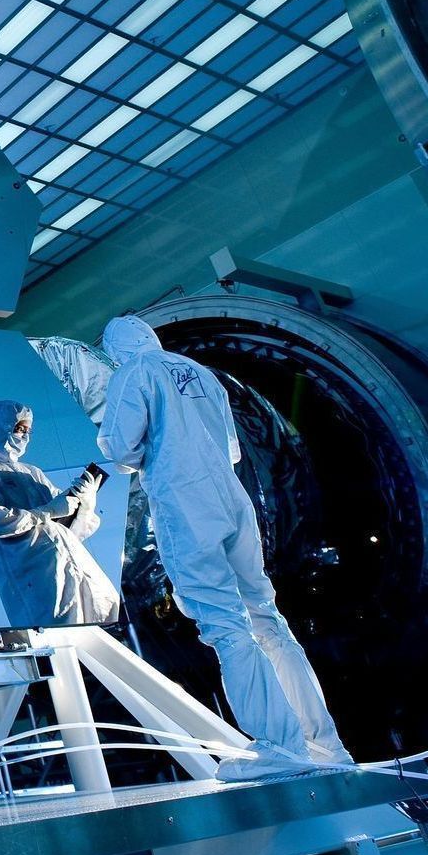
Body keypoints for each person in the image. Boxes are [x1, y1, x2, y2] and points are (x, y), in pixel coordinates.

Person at [99, 314, 353, 781]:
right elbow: (233, 451)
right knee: (268, 621)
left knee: (225, 625)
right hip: (232, 499)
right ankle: (326, 746)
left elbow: (118, 450)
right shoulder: (202, 374)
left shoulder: (133, 373)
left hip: (185, 500)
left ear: (117, 349)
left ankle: (280, 748)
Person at [0, 400, 120, 628]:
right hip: (36, 575)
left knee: (106, 611)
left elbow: (72, 527)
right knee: (62, 634)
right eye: (18, 429)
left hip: (71, 558)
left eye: (27, 431)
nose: (24, 436)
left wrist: (85, 501)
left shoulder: (33, 472)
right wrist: (48, 511)